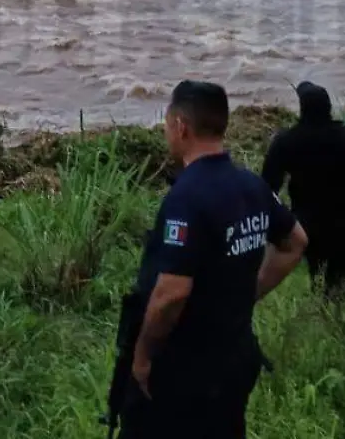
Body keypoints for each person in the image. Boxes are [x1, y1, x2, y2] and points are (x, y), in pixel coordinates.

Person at [110, 80, 308, 439]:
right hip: (234, 357)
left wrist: (142, 355)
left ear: (181, 127)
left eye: (167, 122)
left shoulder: (186, 198)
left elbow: (172, 294)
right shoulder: (251, 185)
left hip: (185, 369)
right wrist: (248, 293)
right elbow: (295, 242)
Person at [261, 81, 345, 300]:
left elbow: (267, 188)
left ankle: (325, 314)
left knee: (318, 275)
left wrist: (282, 225)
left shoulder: (286, 141)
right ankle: (337, 317)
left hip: (308, 226)